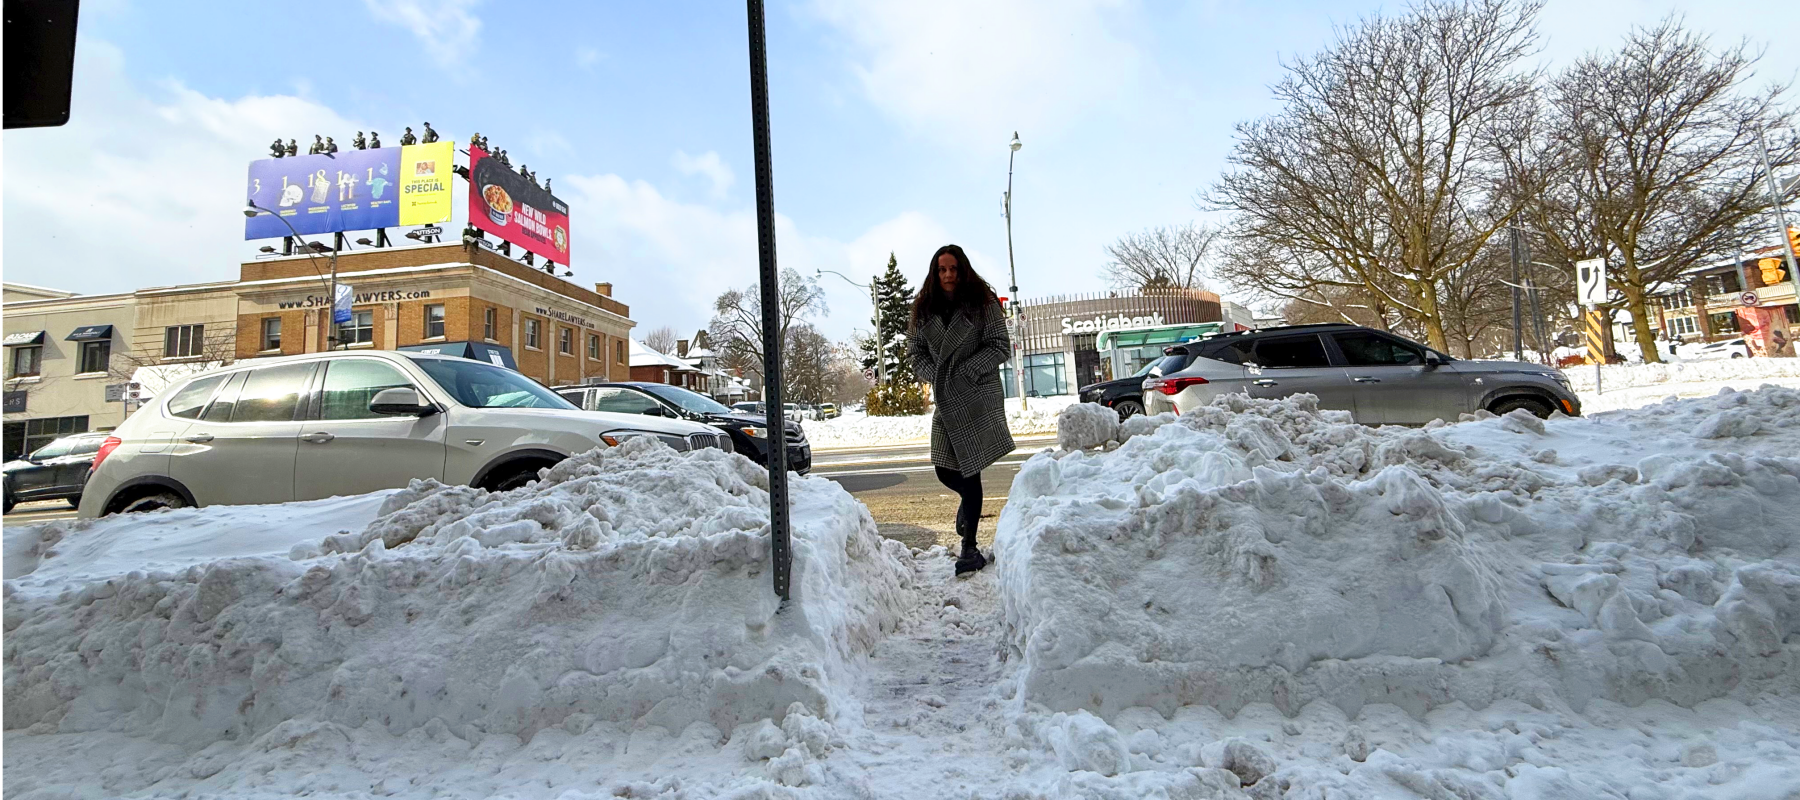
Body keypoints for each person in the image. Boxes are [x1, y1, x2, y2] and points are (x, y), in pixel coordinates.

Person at [908, 244, 1016, 575]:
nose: (948, 275)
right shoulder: (924, 310)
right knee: (944, 468)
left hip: (976, 394)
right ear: (934, 273)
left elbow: (1000, 346)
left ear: (962, 269)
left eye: (953, 268)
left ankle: (969, 548)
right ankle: (966, 508)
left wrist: (968, 369)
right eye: (942, 269)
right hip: (947, 398)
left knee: (970, 471)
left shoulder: (982, 304)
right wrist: (936, 375)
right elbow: (916, 355)